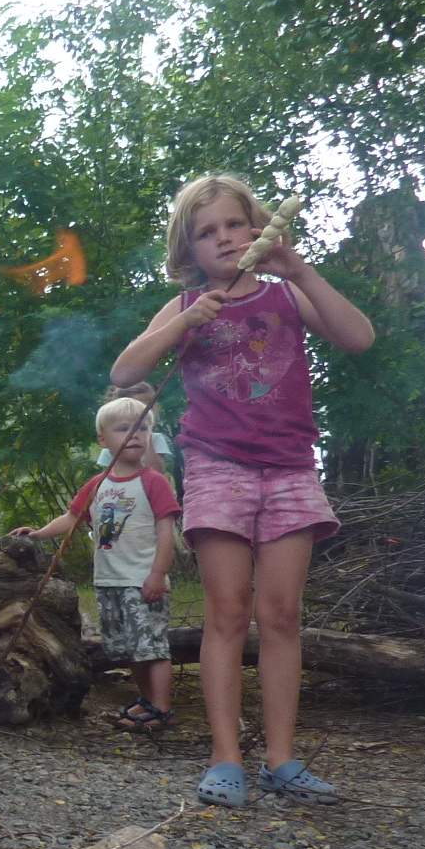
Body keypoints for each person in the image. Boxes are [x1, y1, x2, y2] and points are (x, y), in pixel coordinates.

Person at [111, 173, 373, 808]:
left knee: (280, 615)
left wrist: (300, 269)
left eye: (234, 224)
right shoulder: (184, 305)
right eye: (207, 232)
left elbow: (359, 337)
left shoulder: (286, 293)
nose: (224, 238)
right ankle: (225, 756)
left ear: (257, 227)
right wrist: (184, 321)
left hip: (289, 468)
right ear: (189, 249)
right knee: (227, 612)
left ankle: (281, 759)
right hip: (215, 466)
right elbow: (124, 373)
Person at [12, 398, 180, 730]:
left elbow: (166, 532)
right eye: (124, 428)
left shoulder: (153, 482)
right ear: (103, 439)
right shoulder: (97, 484)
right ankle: (147, 701)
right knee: (131, 648)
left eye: (142, 428)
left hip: (142, 580)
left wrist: (158, 574)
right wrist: (39, 533)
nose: (135, 435)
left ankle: (162, 709)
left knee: (152, 647)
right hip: (109, 580)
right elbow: (72, 518)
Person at [97, 383, 173, 474]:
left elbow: (157, 472)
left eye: (149, 406)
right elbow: (106, 477)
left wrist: (147, 435)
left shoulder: (156, 439)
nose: (145, 411)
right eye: (139, 405)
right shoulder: (112, 443)